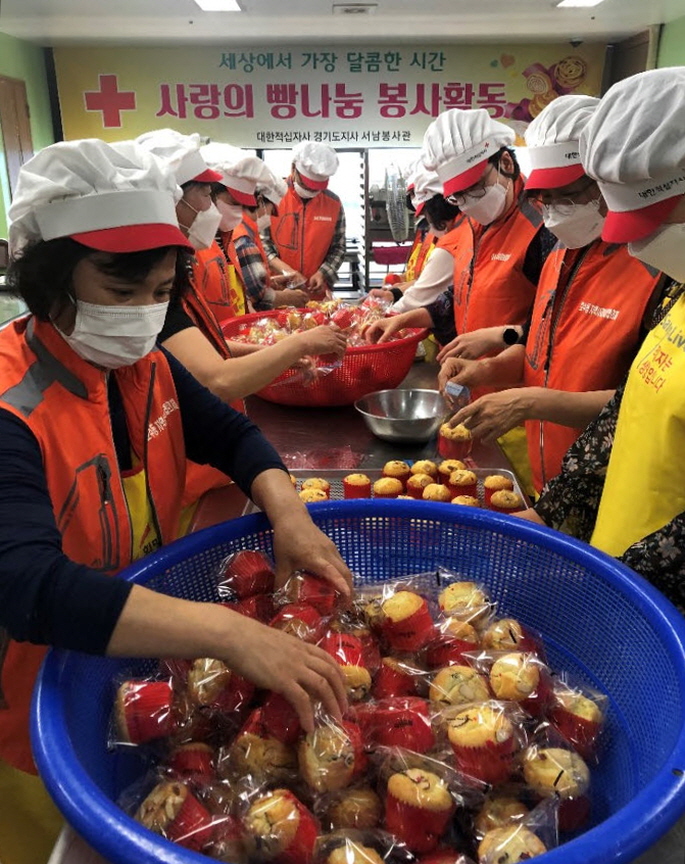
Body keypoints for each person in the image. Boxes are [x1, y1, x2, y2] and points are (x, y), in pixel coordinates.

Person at [0, 139, 352, 864]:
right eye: (121, 292)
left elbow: (231, 435)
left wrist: (289, 514)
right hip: (35, 705)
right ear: (48, 283)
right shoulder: (12, 406)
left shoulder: (142, 364)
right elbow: (27, 585)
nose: (144, 315)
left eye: (161, 292)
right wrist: (229, 634)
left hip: (137, 665)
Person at [516, 68, 685, 612]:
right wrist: (550, 513)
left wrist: (620, 580)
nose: (637, 248)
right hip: (615, 571)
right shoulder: (678, 291)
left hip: (657, 604)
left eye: (652, 222)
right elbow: (625, 413)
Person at [437, 95, 664, 493]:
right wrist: (486, 370)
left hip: (609, 487)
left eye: (568, 194)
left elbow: (647, 402)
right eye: (545, 197)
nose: (554, 211)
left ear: (609, 181)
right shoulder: (560, 252)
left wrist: (531, 402)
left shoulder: (654, 266)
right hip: (548, 476)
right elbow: (542, 351)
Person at [365, 109, 551, 350]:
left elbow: (552, 323)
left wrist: (497, 345)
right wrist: (404, 319)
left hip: (511, 371)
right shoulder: (473, 223)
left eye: (474, 187)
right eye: (457, 196)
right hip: (470, 368)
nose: (467, 202)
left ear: (505, 163)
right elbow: (462, 291)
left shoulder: (543, 226)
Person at [203, 144, 309, 311]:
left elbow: (235, 284)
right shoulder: (240, 236)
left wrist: (269, 282)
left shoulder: (226, 235)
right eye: (235, 203)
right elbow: (258, 298)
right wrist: (288, 297)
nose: (240, 211)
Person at [261, 141, 346, 300]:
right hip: (279, 292)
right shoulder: (272, 196)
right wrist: (288, 272)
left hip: (316, 294)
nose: (311, 191)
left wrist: (323, 273)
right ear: (293, 169)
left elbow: (338, 247)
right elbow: (261, 243)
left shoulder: (333, 203)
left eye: (317, 188)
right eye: (307, 185)